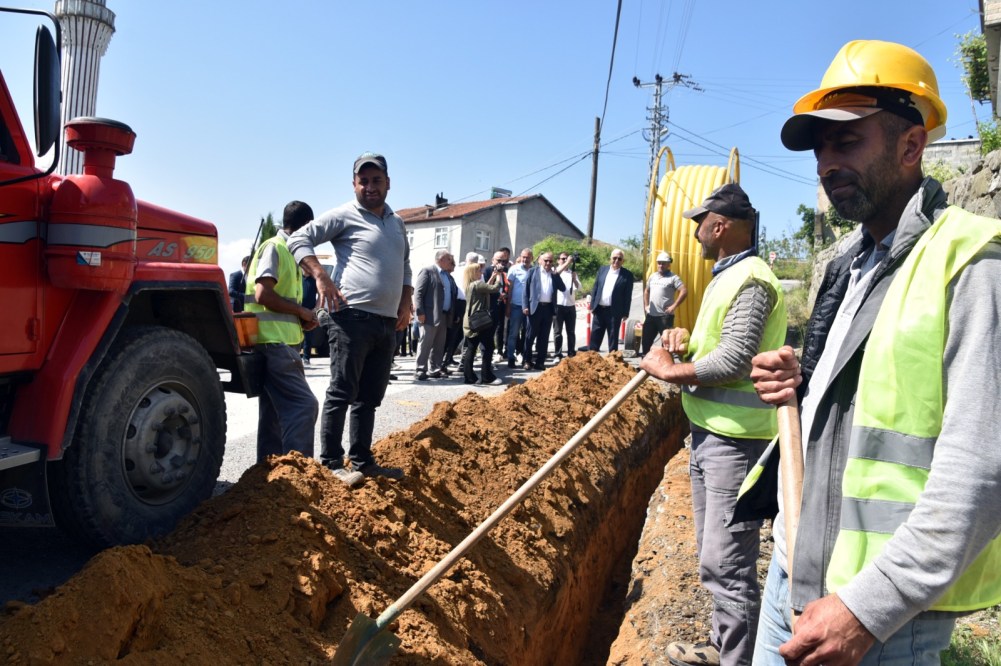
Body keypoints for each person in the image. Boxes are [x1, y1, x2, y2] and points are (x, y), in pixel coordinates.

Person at [748, 40, 1001, 666]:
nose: (826, 164)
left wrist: (869, 606)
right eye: (820, 148)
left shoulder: (973, 261)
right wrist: (802, 385)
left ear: (911, 145)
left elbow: (981, 471)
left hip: (878, 623)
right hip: (792, 572)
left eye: (847, 141)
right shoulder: (851, 264)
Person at [639, 182, 787, 666]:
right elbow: (719, 345)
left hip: (736, 442)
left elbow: (734, 360)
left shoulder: (752, 279)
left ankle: (736, 660)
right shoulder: (727, 276)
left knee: (727, 564)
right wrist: (685, 340)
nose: (695, 233)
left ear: (720, 226)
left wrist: (669, 370)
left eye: (700, 224)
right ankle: (725, 648)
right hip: (711, 434)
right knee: (714, 557)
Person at [288, 152, 412, 485]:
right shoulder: (344, 215)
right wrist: (320, 275)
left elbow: (404, 265)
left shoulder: (397, 223)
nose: (370, 187)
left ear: (388, 183)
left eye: (376, 180)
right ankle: (331, 462)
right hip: (350, 317)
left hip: (386, 322)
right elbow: (298, 239)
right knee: (342, 391)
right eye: (363, 181)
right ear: (354, 184)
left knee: (369, 397)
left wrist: (406, 300)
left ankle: (362, 460)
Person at [244, 202, 321, 465]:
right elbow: (263, 295)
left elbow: (277, 301)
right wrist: (300, 311)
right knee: (304, 406)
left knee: (274, 415)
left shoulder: (287, 251)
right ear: (306, 226)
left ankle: (268, 472)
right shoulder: (276, 248)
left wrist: (300, 320)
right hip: (273, 343)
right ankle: (298, 473)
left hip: (276, 341)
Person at [413, 250, 458, 381]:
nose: (451, 262)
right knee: (426, 343)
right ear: (441, 259)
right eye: (449, 259)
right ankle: (420, 369)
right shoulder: (428, 271)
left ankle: (435, 369)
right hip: (428, 315)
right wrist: (420, 312)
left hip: (444, 315)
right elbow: (418, 293)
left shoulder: (447, 275)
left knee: (439, 344)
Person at [522, 251, 568, 370]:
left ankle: (540, 362)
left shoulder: (553, 274)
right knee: (530, 336)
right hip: (534, 308)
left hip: (548, 309)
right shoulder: (532, 272)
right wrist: (525, 306)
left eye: (550, 261)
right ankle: (527, 360)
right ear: (540, 261)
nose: (548, 263)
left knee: (544, 337)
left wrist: (556, 274)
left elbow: (562, 288)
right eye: (546, 260)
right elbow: (525, 290)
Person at [460, 261, 504, 385]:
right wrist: (499, 276)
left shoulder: (470, 285)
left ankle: (469, 377)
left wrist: (493, 276)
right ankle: (487, 377)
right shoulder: (477, 284)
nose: (482, 272)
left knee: (471, 348)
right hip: (480, 321)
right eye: (479, 271)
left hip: (470, 321)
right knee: (489, 347)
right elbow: (494, 288)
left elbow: (485, 288)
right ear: (473, 273)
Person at [588, 248, 634, 353]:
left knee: (613, 337)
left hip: (614, 312)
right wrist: (592, 306)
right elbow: (595, 288)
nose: (616, 261)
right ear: (610, 258)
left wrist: (625, 312)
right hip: (599, 310)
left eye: (619, 259)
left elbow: (627, 295)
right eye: (614, 258)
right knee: (595, 336)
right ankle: (592, 356)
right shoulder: (602, 270)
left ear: (623, 261)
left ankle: (613, 358)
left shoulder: (627, 275)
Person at [641, 251, 687, 355]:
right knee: (646, 341)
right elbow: (646, 291)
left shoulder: (673, 278)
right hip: (651, 316)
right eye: (659, 263)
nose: (661, 265)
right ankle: (645, 362)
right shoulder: (653, 276)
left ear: (668, 264)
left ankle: (665, 363)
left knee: (666, 345)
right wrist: (646, 306)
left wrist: (674, 306)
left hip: (665, 317)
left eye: (663, 263)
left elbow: (684, 291)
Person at [505, 248, 533, 368]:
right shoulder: (514, 269)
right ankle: (511, 357)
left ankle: (525, 358)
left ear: (532, 258)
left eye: (527, 257)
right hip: (516, 306)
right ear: (520, 257)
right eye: (523, 257)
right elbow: (509, 289)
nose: (525, 259)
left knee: (528, 334)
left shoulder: (534, 270)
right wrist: (508, 306)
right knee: (513, 334)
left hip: (529, 308)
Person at [552, 251, 580, 361]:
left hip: (570, 306)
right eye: (562, 259)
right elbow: (556, 274)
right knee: (558, 332)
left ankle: (571, 353)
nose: (565, 260)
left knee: (571, 332)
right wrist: (567, 263)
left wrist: (574, 279)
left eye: (566, 258)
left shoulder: (572, 272)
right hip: (559, 305)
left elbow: (578, 287)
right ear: (558, 260)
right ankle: (558, 354)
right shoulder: (556, 270)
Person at [483, 248, 511, 360]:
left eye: (504, 261)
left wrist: (506, 294)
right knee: (490, 329)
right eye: (499, 260)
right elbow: (485, 287)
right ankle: (488, 353)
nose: (501, 263)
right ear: (493, 260)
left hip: (503, 302)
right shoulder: (488, 270)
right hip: (491, 304)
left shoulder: (506, 271)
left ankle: (500, 351)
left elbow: (509, 286)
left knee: (501, 327)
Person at [301, 271, 318, 365]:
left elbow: (320, 294)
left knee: (308, 336)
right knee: (296, 334)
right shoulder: (298, 277)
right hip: (298, 310)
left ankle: (306, 357)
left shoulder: (314, 279)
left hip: (310, 311)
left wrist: (316, 309)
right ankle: (294, 356)